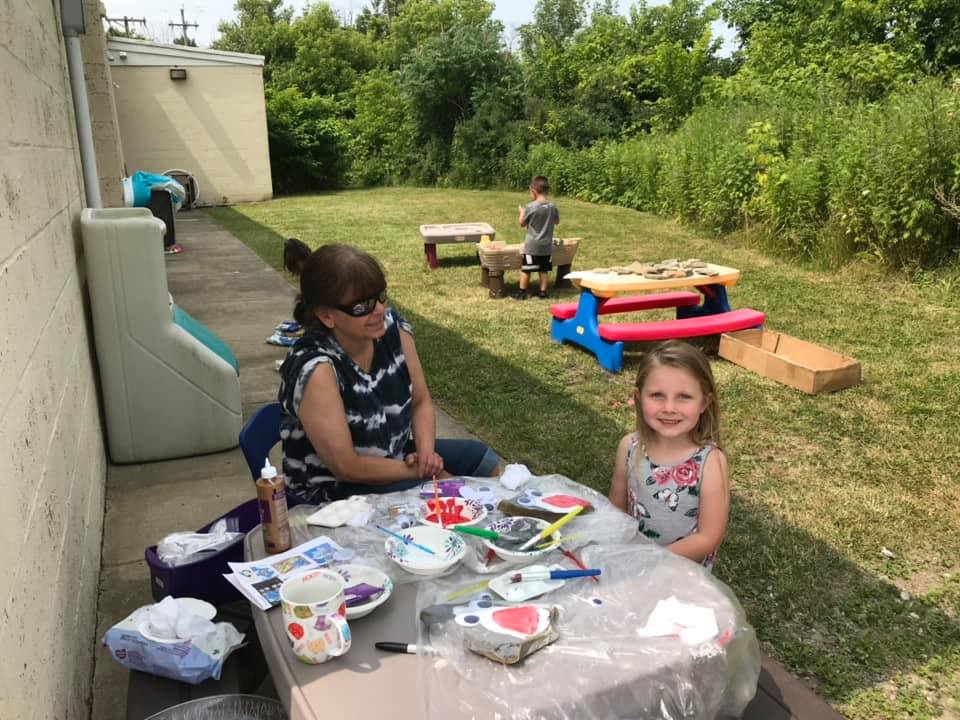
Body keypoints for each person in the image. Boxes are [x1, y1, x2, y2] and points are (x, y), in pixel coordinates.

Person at [278, 238, 502, 505]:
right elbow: (346, 467)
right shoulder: (316, 369)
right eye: (362, 307)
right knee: (437, 497)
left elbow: (420, 401)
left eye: (379, 297)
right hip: (331, 488)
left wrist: (426, 453)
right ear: (327, 316)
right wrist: (427, 472)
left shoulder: (391, 328)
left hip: (392, 457)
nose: (379, 310)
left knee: (481, 459)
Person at [607, 340, 730, 569]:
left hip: (683, 575)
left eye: (684, 396)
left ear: (704, 402)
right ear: (638, 397)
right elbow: (616, 508)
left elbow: (708, 537)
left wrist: (654, 560)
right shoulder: (629, 447)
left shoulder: (710, 462)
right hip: (633, 565)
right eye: (657, 395)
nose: (669, 407)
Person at [514, 175, 560, 300]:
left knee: (526, 270)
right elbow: (557, 221)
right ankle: (543, 292)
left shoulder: (531, 207)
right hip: (546, 245)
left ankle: (521, 292)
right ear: (547, 191)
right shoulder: (552, 206)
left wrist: (522, 212)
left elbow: (522, 223)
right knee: (543, 270)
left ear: (533, 191)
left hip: (532, 246)